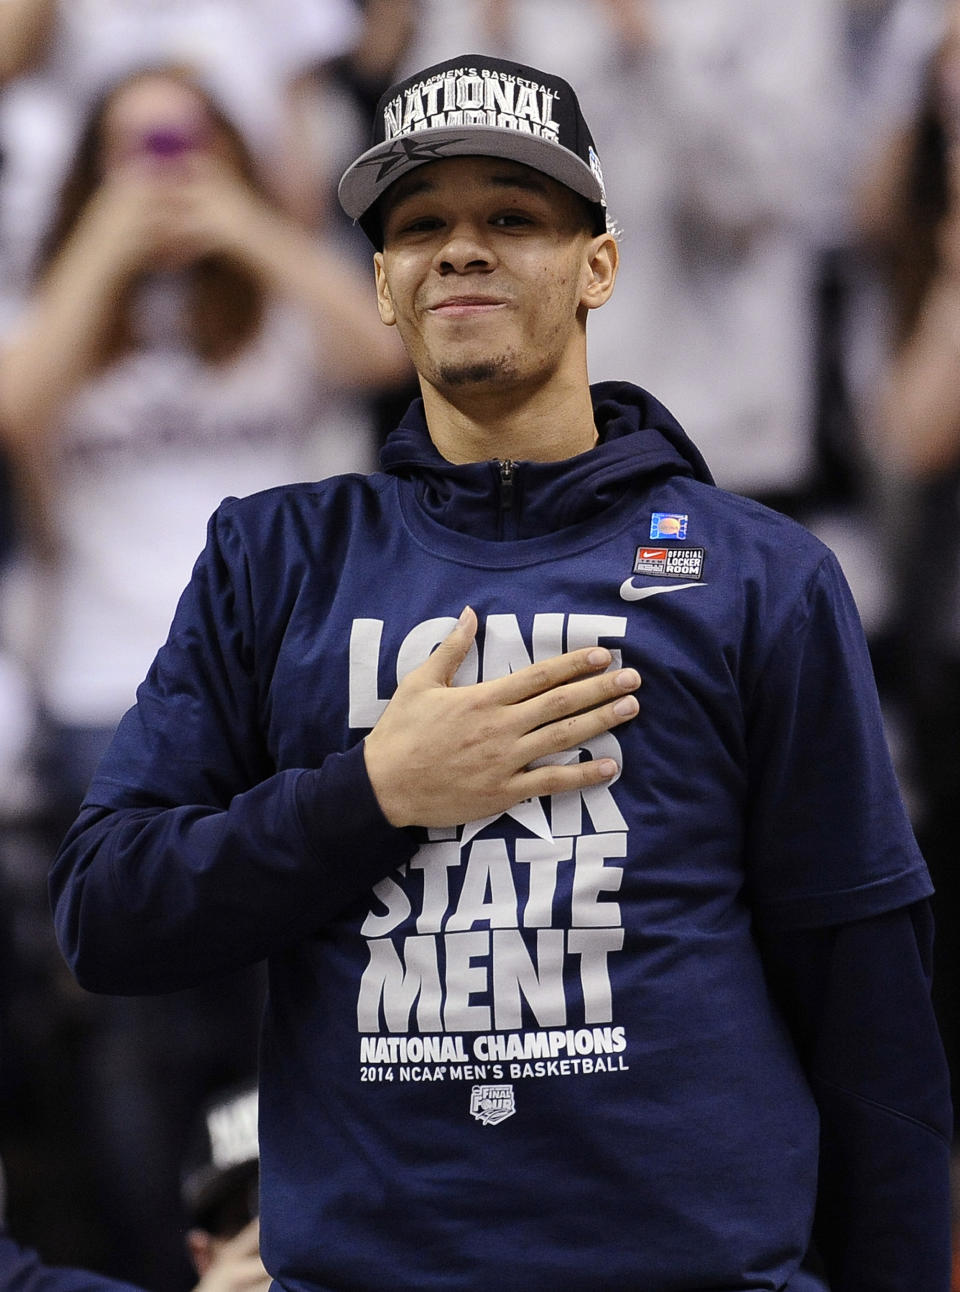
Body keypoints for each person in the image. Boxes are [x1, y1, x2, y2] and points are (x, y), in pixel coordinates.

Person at [49, 52, 951, 1291]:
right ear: (381, 281)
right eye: (422, 225)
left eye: (513, 217)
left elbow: (870, 1009)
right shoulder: (275, 557)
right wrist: (373, 791)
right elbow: (106, 912)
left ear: (600, 265)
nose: (462, 249)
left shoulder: (760, 575)